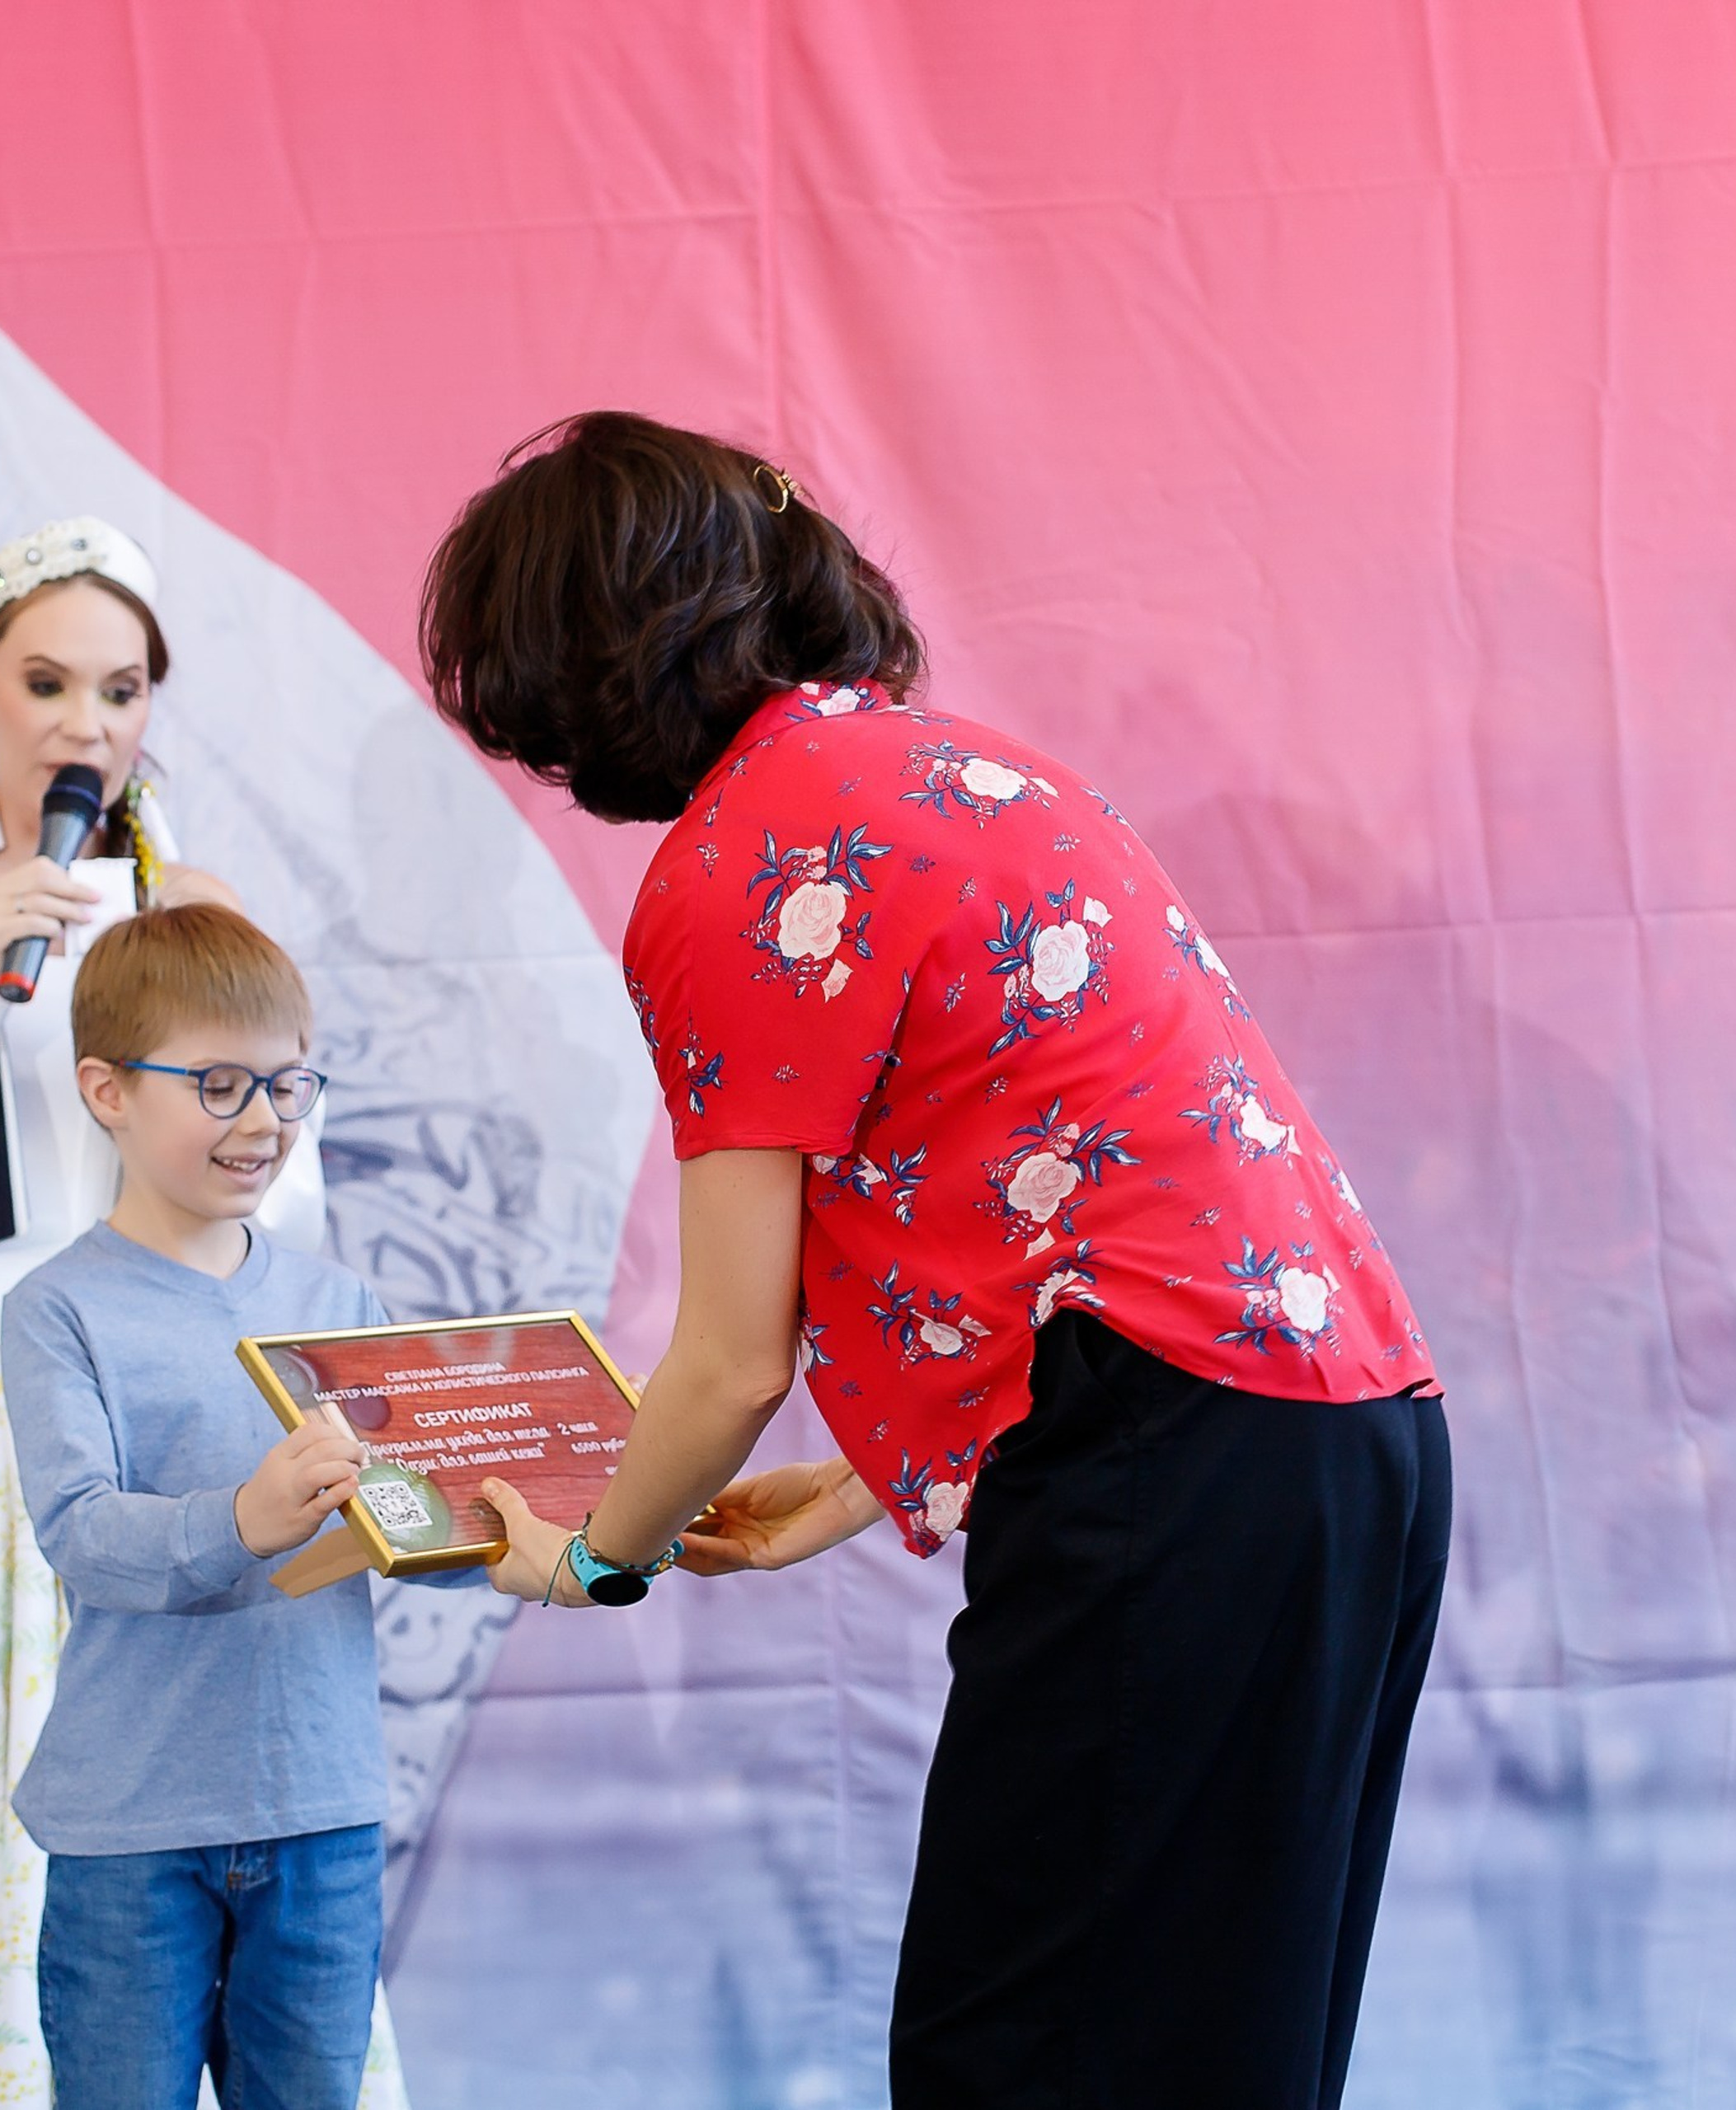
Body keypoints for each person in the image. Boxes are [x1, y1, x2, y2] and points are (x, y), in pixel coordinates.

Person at [419, 412, 1453, 2110]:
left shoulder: (737, 861)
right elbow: (1072, 1204)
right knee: (1223, 2047)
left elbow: (728, 1361)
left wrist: (593, 1558)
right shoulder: (971, 773)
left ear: (585, 662)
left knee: (1020, 2058)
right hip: (1352, 1437)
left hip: (1174, 1463)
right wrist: (851, 1486)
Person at [0, 523, 407, 2108]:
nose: (85, 722)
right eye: (46, 682)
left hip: (162, 1381)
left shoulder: (190, 904)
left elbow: (281, 1200)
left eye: (123, 688)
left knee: (191, 1742)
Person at [1, 903, 481, 2110]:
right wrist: (243, 1519)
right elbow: (81, 1534)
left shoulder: (340, 1303)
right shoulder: (58, 1309)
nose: (264, 1120)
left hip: (321, 1812)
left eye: (287, 1083)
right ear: (106, 1091)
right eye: (220, 1085)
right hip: (129, 1830)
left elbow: (421, 1521)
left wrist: (570, 1515)